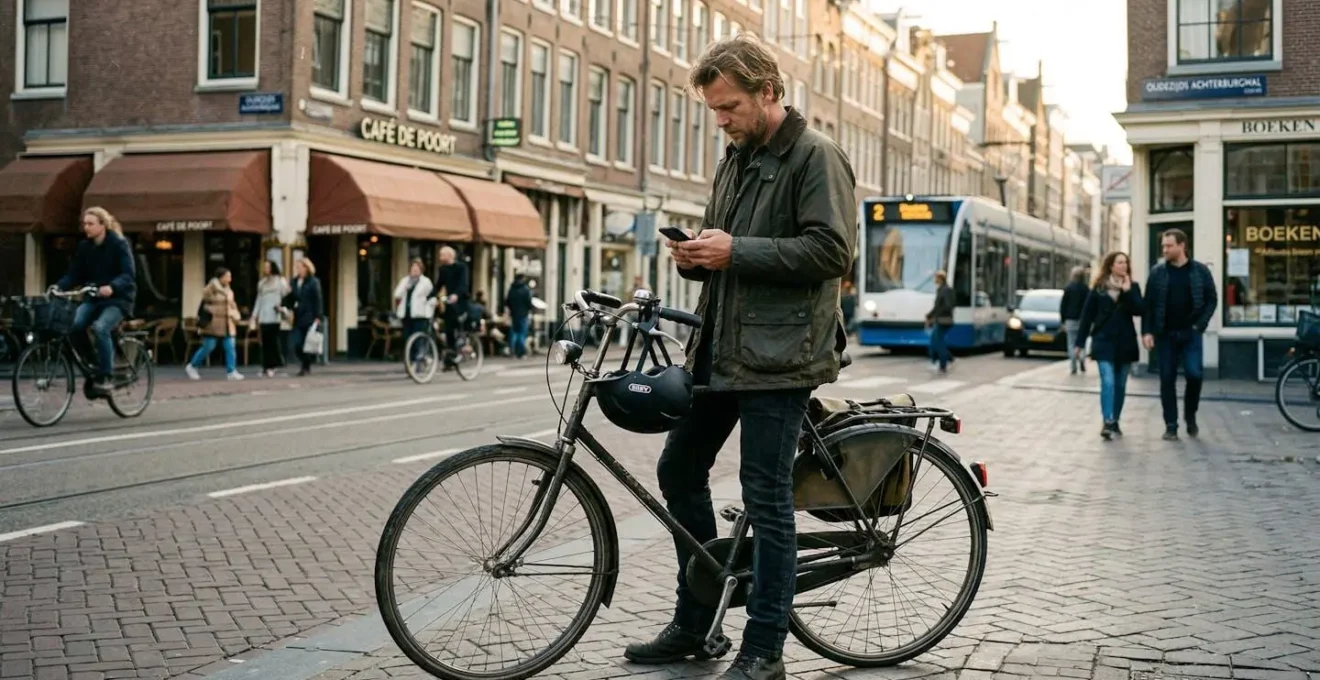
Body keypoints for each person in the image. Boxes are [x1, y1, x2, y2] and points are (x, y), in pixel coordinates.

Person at [627, 34, 855, 680]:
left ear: (768, 92)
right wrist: (696, 256)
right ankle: (696, 623)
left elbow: (832, 252)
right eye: (713, 109)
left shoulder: (816, 156)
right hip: (722, 349)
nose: (720, 120)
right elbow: (728, 252)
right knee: (679, 468)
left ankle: (764, 650)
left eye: (728, 107)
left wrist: (735, 251)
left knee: (766, 496)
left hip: (783, 357)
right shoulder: (734, 159)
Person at [1142, 228, 1217, 441]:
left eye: (1169, 246)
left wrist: (1200, 325)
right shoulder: (1157, 273)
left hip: (1191, 333)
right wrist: (1147, 331)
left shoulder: (1200, 271)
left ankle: (1190, 415)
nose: (1164, 250)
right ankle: (1171, 425)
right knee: (1167, 378)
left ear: (1182, 245)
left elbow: (1212, 299)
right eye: (1163, 246)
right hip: (1165, 334)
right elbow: (1148, 305)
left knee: (1194, 375)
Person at [54, 207, 136, 395]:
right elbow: (75, 274)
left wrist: (112, 287)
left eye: (90, 224)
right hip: (93, 297)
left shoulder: (119, 244)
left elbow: (128, 274)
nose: (86, 227)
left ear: (102, 225)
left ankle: (106, 377)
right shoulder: (85, 247)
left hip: (118, 300)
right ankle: (93, 361)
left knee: (101, 328)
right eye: (84, 224)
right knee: (75, 325)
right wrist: (58, 287)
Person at [1074, 252, 1143, 440]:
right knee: (1108, 380)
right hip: (1103, 341)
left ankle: (1116, 419)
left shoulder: (1133, 287)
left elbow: (1140, 310)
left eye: (1126, 262)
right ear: (1111, 266)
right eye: (1119, 262)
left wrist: (1128, 292)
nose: (1124, 266)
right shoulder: (1099, 289)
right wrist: (1079, 343)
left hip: (1125, 342)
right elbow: (1087, 317)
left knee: (1120, 385)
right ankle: (1107, 420)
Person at [186, 267, 244, 381]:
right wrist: (212, 287)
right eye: (227, 276)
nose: (229, 279)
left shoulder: (229, 290)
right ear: (221, 278)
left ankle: (231, 371)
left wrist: (236, 314)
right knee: (209, 346)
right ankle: (192, 365)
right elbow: (205, 296)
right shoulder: (211, 288)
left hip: (227, 323)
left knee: (230, 346)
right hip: (213, 323)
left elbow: (232, 304)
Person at [251, 260, 290, 378]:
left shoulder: (280, 281)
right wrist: (254, 315)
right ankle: (265, 366)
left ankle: (272, 365)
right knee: (265, 342)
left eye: (268, 267)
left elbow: (287, 296)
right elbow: (259, 300)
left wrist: (283, 309)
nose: (265, 269)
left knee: (273, 341)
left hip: (274, 315)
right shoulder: (262, 283)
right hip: (264, 316)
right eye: (264, 267)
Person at [393, 259, 435, 367]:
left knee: (418, 339)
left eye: (417, 269)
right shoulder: (405, 280)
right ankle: (410, 362)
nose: (414, 271)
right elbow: (397, 294)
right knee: (407, 338)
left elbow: (432, 299)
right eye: (412, 269)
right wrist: (405, 287)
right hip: (407, 314)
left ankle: (419, 361)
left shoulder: (426, 282)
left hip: (420, 315)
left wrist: (429, 313)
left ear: (421, 270)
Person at [432, 246, 470, 365]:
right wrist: (429, 296)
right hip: (449, 301)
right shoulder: (443, 269)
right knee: (448, 329)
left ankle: (462, 342)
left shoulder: (461, 267)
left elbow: (463, 284)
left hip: (460, 301)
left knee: (458, 323)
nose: (440, 257)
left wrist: (456, 295)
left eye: (442, 254)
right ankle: (450, 357)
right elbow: (439, 285)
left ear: (450, 255)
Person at [288, 257, 324, 376]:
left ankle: (305, 366)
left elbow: (318, 299)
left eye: (299, 267)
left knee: (307, 343)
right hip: (298, 316)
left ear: (306, 268)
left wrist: (318, 316)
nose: (297, 270)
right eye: (296, 267)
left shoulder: (313, 282)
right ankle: (305, 362)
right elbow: (291, 297)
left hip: (310, 316)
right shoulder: (294, 282)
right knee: (297, 343)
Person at [1060, 266, 1090, 375]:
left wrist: (1063, 320)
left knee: (1071, 342)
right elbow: (1089, 306)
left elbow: (1063, 306)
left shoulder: (1068, 288)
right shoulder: (1086, 289)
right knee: (1082, 341)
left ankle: (1073, 364)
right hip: (1083, 320)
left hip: (1070, 320)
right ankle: (1081, 357)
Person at [925, 271, 955, 373]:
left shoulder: (944, 290)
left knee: (938, 342)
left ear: (940, 278)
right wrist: (930, 315)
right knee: (935, 340)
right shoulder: (944, 289)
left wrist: (933, 314)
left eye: (936, 278)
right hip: (943, 319)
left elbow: (945, 306)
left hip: (943, 320)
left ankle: (943, 365)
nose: (934, 280)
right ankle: (947, 359)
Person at [504, 274, 534, 359]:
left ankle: (512, 352)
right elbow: (529, 303)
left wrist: (512, 309)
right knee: (522, 334)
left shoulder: (511, 289)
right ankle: (520, 353)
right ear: (522, 279)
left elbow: (507, 302)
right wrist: (529, 309)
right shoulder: (525, 289)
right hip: (523, 314)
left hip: (514, 314)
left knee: (514, 334)